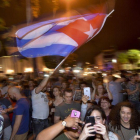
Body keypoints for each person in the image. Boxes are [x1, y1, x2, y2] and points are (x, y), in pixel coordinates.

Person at [31, 75, 51, 139]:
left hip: (45, 119)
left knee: (46, 136)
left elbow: (44, 104)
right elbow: (40, 86)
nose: (47, 86)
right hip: (38, 120)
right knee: (38, 137)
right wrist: (49, 76)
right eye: (45, 85)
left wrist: (50, 103)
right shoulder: (35, 92)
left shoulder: (44, 94)